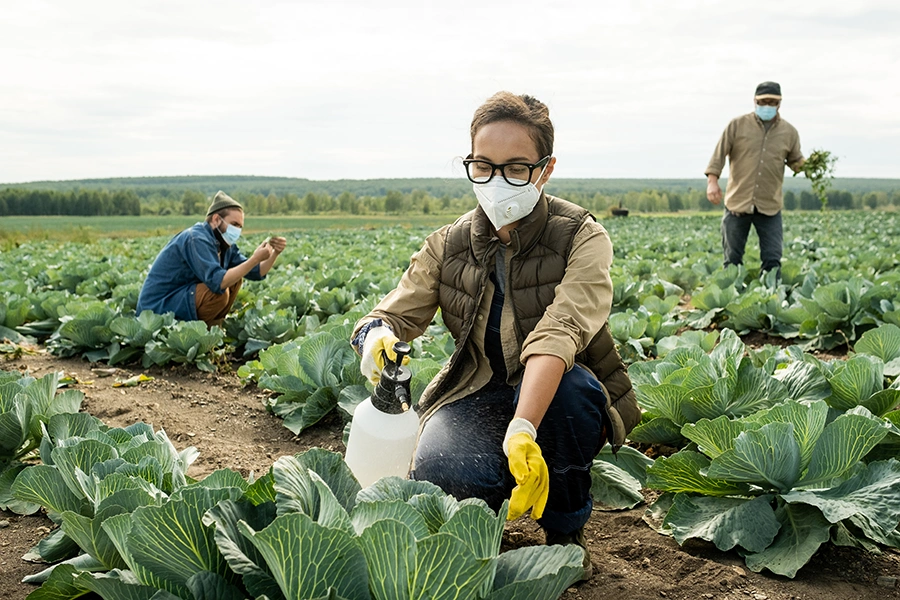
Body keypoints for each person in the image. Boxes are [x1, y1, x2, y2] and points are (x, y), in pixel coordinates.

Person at [350, 91, 639, 581]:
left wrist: (523, 427)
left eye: (516, 168)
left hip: (557, 392)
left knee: (569, 402)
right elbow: (393, 313)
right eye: (483, 166)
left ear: (545, 170)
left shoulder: (581, 236)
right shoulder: (450, 243)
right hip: (478, 391)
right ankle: (487, 516)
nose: (498, 181)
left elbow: (559, 333)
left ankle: (566, 534)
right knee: (443, 474)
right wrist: (376, 335)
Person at [136, 191, 287, 327]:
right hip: (157, 307)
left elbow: (256, 272)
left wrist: (274, 253)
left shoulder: (225, 244)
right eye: (234, 224)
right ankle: (201, 332)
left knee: (235, 280)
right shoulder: (196, 238)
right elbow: (218, 282)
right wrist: (254, 259)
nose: (237, 230)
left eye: (240, 226)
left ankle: (213, 329)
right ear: (216, 219)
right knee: (218, 293)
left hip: (181, 298)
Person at [705, 81, 805, 275]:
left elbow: (795, 160)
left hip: (769, 204)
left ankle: (771, 299)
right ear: (754, 101)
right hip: (737, 203)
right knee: (732, 261)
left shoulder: (789, 132)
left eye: (772, 102)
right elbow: (718, 154)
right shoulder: (737, 125)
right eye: (763, 101)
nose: (767, 105)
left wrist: (807, 164)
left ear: (779, 104)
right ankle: (732, 299)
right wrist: (712, 182)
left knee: (772, 260)